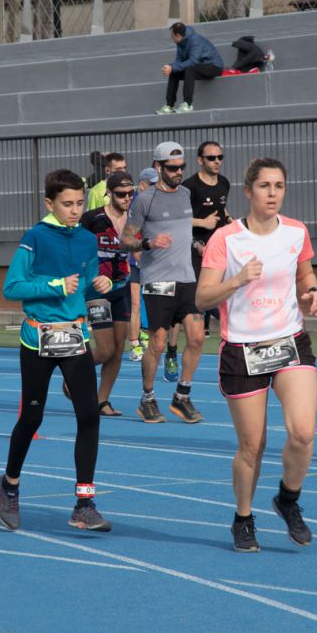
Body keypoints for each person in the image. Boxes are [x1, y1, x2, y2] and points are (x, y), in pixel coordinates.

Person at [197, 157, 317, 552]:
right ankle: (243, 517)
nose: (273, 193)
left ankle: (288, 500)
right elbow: (203, 296)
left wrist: (314, 293)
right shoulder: (226, 238)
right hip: (242, 348)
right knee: (252, 446)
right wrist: (237, 280)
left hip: (289, 341)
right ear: (248, 191)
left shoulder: (296, 232)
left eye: (279, 186)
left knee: (303, 432)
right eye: (265, 186)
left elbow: (305, 275)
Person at [0, 168, 113, 532]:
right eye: (67, 204)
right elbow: (12, 287)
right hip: (38, 338)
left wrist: (102, 283)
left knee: (89, 415)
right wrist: (55, 284)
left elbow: (86, 288)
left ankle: (84, 503)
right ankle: (9, 486)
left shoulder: (88, 240)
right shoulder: (35, 237)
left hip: (74, 337)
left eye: (79, 203)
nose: (75, 210)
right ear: (50, 203)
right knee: (32, 417)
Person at [121, 141, 206, 424]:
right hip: (158, 280)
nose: (178, 172)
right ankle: (147, 399)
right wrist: (148, 242)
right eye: (172, 168)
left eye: (182, 167)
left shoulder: (185, 194)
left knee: (196, 337)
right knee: (157, 343)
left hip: (187, 278)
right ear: (158, 167)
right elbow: (126, 239)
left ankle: (182, 395)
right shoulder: (145, 199)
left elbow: (183, 230)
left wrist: (195, 243)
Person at [80, 169, 136, 416]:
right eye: (121, 194)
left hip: (121, 288)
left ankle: (102, 400)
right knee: (104, 351)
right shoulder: (92, 218)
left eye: (130, 193)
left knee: (117, 349)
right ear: (109, 194)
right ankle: (73, 374)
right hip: (97, 291)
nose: (127, 198)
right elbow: (75, 247)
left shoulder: (135, 221)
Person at [182, 140, 231, 337]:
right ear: (200, 160)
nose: (217, 161)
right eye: (211, 158)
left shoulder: (224, 183)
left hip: (218, 248)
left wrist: (230, 220)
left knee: (222, 291)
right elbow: (179, 219)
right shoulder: (189, 187)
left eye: (220, 157)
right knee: (197, 296)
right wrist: (202, 224)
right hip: (195, 248)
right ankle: (173, 347)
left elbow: (222, 208)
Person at [125, 167, 159, 363]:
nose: (156, 187)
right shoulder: (136, 204)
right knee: (136, 304)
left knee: (152, 303)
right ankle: (134, 344)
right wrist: (139, 260)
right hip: (138, 261)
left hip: (154, 260)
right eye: (152, 184)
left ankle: (146, 337)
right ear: (142, 184)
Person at [157, 22, 223, 115]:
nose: (171, 37)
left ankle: (187, 104)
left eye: (172, 35)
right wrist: (171, 67)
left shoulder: (195, 40)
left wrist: (173, 67)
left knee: (189, 69)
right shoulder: (180, 42)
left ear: (178, 35)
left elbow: (193, 61)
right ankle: (169, 105)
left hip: (213, 66)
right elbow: (179, 61)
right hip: (198, 67)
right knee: (174, 72)